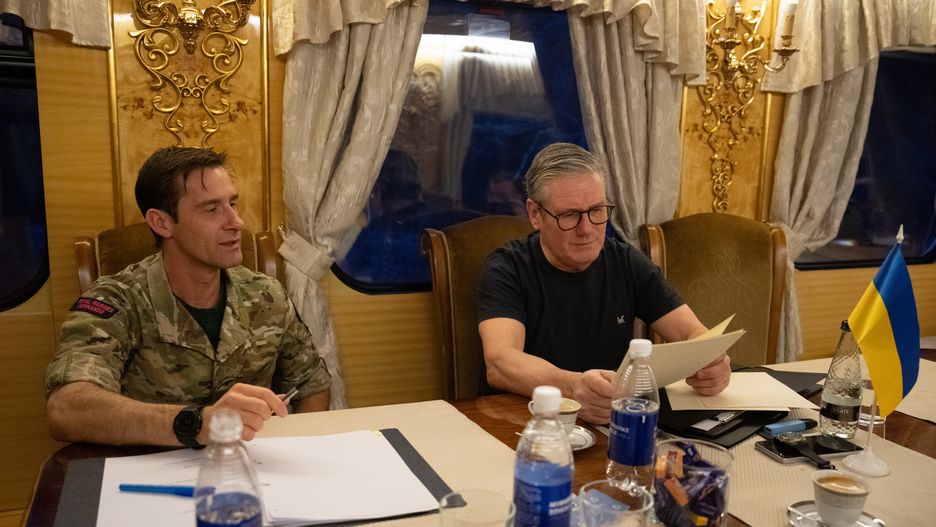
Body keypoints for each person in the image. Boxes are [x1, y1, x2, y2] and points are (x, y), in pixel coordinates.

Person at [44, 146, 331, 447]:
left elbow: (312, 385)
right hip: (150, 475)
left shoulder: (267, 295)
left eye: (232, 204)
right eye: (212, 209)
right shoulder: (117, 301)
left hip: (248, 470)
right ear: (162, 223)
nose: (236, 222)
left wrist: (294, 447)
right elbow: (66, 408)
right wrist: (195, 424)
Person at [478, 143, 731, 424]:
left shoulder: (625, 260)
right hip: (530, 425)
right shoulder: (507, 267)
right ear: (535, 214)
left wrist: (712, 361)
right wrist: (573, 388)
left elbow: (690, 332)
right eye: (569, 215)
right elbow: (500, 362)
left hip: (613, 421)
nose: (587, 229)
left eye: (597, 210)